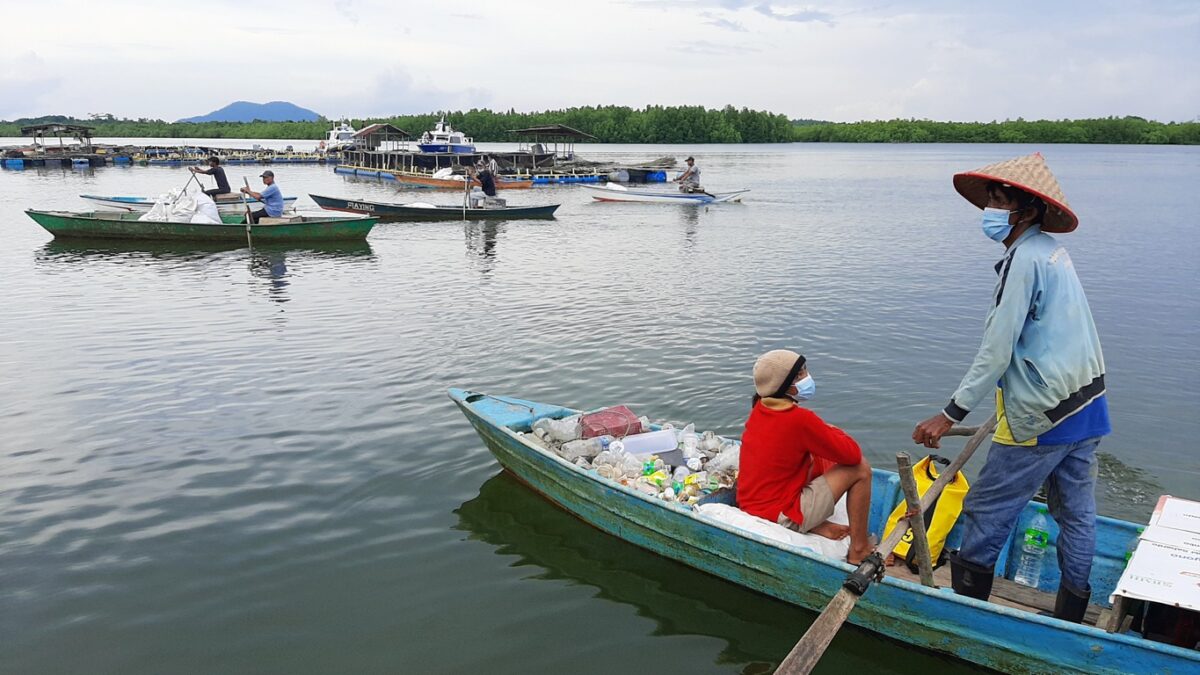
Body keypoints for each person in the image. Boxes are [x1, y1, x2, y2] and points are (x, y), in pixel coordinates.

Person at [911, 152, 1109, 623]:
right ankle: (1070, 616)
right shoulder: (1053, 254)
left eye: (999, 201)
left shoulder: (1024, 261)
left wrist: (950, 414)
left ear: (1029, 211)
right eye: (991, 201)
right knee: (1075, 515)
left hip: (1043, 413)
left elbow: (996, 351)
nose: (990, 211)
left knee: (986, 507)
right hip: (1088, 403)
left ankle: (967, 614)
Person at [739, 349, 874, 564]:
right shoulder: (800, 420)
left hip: (753, 502)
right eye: (800, 374)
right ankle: (859, 549)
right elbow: (852, 454)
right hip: (779, 511)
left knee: (821, 457)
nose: (807, 377)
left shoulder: (760, 407)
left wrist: (823, 431)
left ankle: (814, 523)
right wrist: (832, 429)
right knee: (860, 469)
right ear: (785, 385)